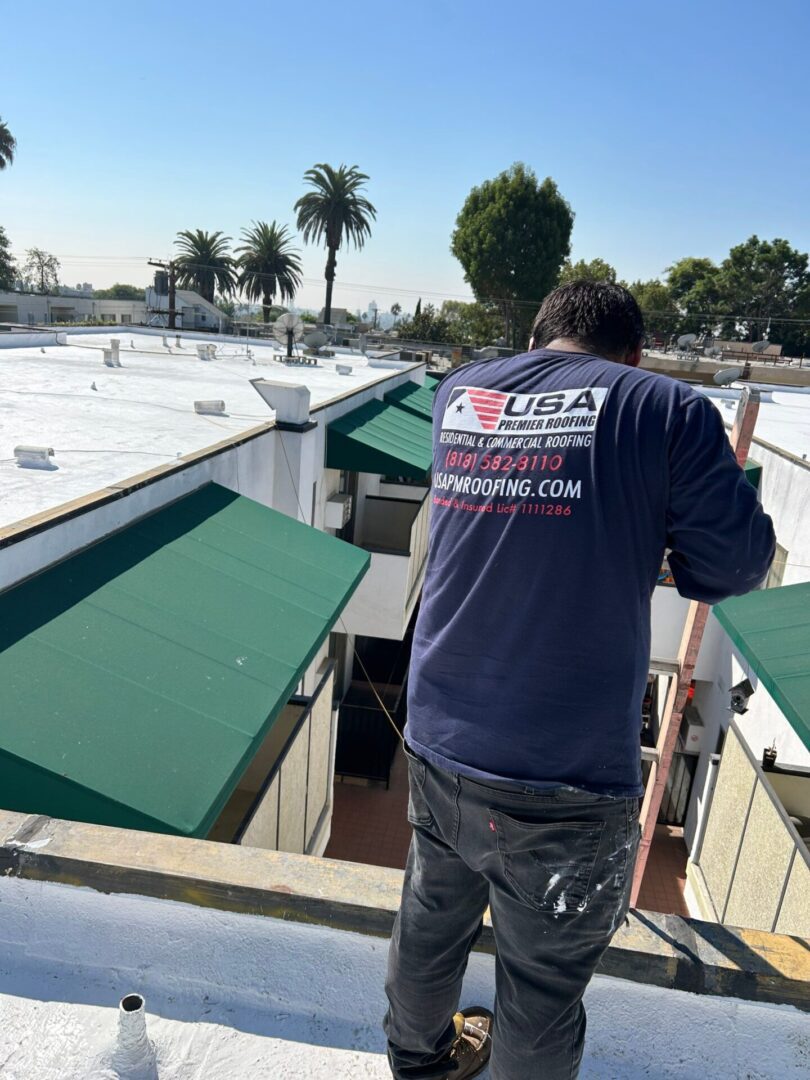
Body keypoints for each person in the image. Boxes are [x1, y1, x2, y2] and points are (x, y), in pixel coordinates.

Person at [383, 282, 775, 1080]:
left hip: (438, 742)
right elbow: (736, 562)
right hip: (562, 781)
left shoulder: (461, 392)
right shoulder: (666, 409)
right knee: (541, 990)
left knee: (429, 922)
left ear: (537, 339)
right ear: (632, 355)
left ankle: (416, 1065)